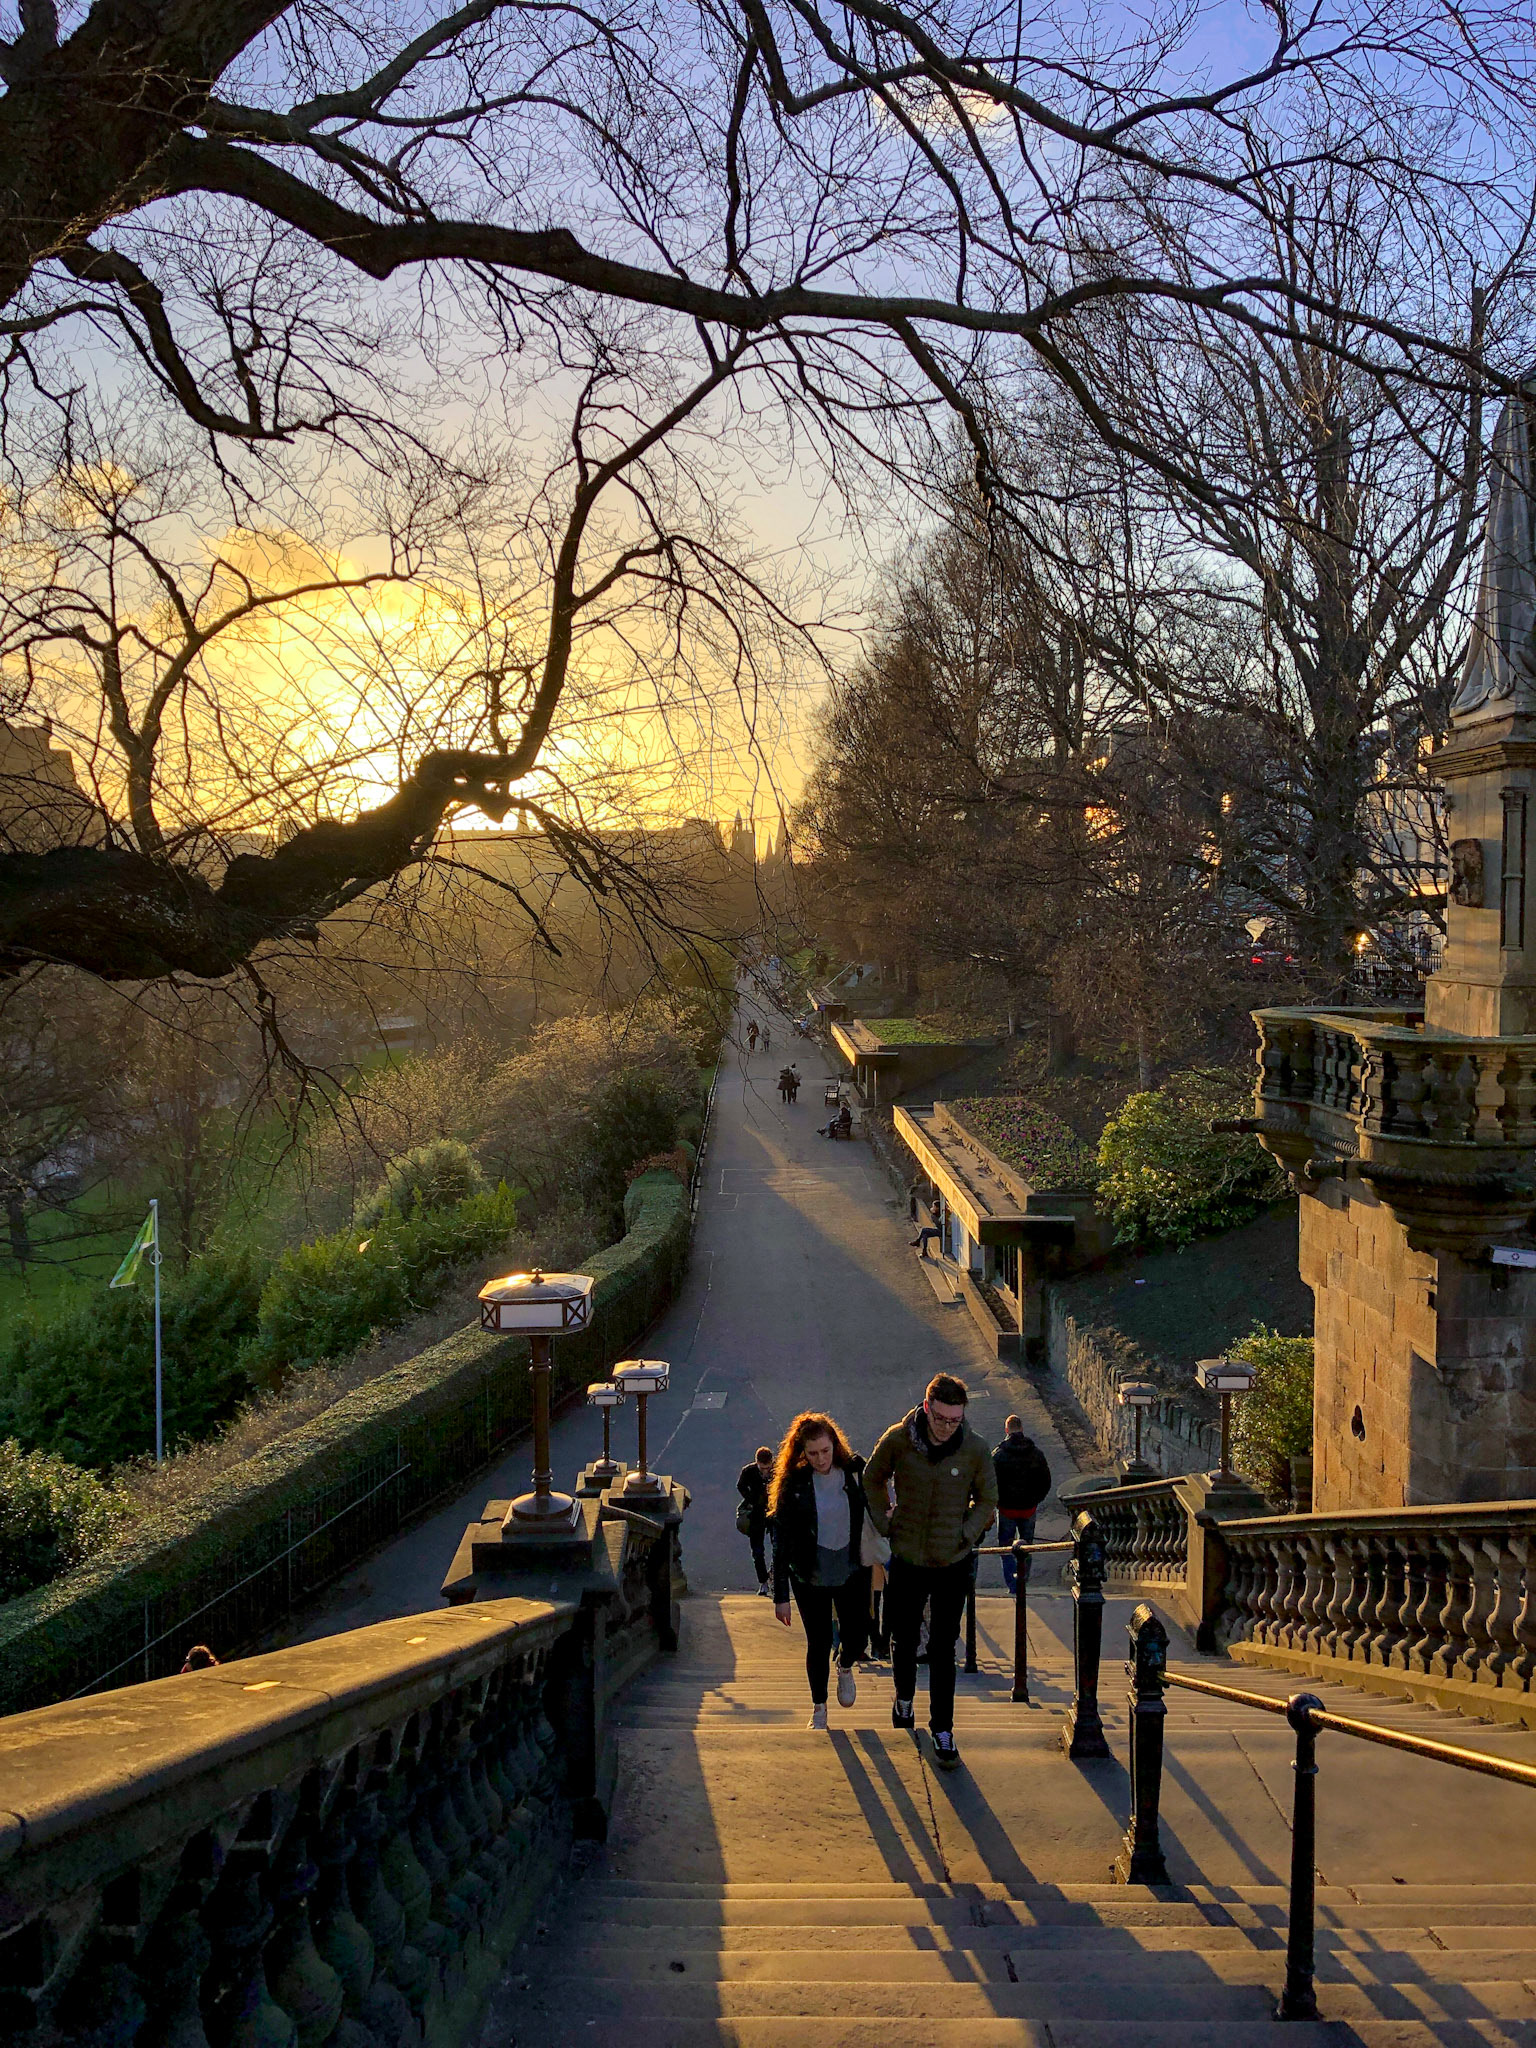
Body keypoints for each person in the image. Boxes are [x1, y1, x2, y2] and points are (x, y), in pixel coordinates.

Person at [863, 1372, 997, 1770]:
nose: (946, 1428)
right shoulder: (899, 1439)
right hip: (907, 1558)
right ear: (926, 1408)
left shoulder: (974, 1449)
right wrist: (886, 1523)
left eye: (954, 1420)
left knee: (942, 1648)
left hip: (951, 1563)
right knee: (903, 1639)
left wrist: (967, 1533)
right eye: (940, 1419)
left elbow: (989, 1497)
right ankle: (904, 1697)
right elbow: (872, 1478)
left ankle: (943, 1729)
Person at [769, 1411, 871, 1730]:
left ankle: (844, 1664)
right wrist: (780, 1597)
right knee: (818, 1638)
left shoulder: (854, 1469)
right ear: (802, 1452)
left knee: (857, 1636)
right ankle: (819, 1707)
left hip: (850, 1567)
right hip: (809, 1571)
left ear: (834, 1444)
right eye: (812, 1453)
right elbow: (781, 1541)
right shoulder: (795, 1482)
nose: (820, 1458)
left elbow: (874, 1508)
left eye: (825, 1451)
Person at [993, 1416, 1052, 1594]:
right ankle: (1023, 1580)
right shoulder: (1036, 1453)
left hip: (1006, 1509)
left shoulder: (998, 1455)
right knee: (1026, 1546)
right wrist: (1035, 1499)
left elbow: (989, 1482)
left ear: (1006, 1430)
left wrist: (998, 1501)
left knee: (1005, 1546)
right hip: (1028, 1509)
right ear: (1022, 1428)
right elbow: (1046, 1482)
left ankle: (1012, 1583)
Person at [737, 1446, 775, 1593]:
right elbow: (740, 1486)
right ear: (757, 1463)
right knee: (757, 1551)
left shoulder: (779, 1469)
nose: (765, 1471)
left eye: (767, 1468)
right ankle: (763, 1582)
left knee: (778, 1546)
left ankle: (773, 1574)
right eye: (762, 1468)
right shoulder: (749, 1471)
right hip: (756, 1512)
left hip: (773, 1511)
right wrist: (752, 1499)